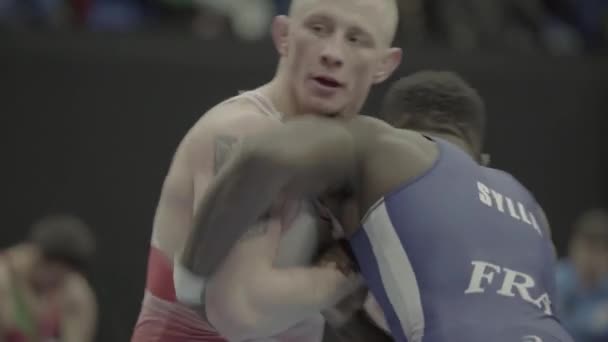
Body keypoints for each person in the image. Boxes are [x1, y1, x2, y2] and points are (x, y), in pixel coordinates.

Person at [190, 71, 575, 341]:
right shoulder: (531, 208)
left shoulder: (388, 149)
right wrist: (349, 319)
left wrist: (193, 278)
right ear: (482, 158)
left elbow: (262, 155)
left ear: (398, 127)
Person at [131, 0, 403, 340]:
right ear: (284, 36)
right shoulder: (241, 134)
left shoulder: (353, 157)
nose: (332, 53)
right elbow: (240, 312)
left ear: (384, 64)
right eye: (318, 29)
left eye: (356, 39)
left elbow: (337, 312)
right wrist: (351, 264)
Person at [0, 214, 97, 342]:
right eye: (58, 276)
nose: (59, 284)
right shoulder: (4, 279)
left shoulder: (75, 293)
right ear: (39, 257)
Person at [555, 208, 608, 342]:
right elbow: (552, 327)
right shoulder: (556, 278)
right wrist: (591, 321)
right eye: (587, 248)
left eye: (600, 251)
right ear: (573, 246)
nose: (592, 258)